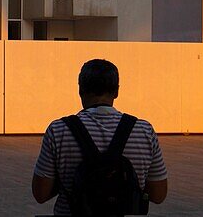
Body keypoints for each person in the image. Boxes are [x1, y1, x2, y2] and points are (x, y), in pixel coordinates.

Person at [32, 59, 168, 215]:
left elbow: (40, 194)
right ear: (116, 91)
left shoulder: (58, 130)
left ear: (80, 90)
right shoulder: (144, 130)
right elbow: (158, 195)